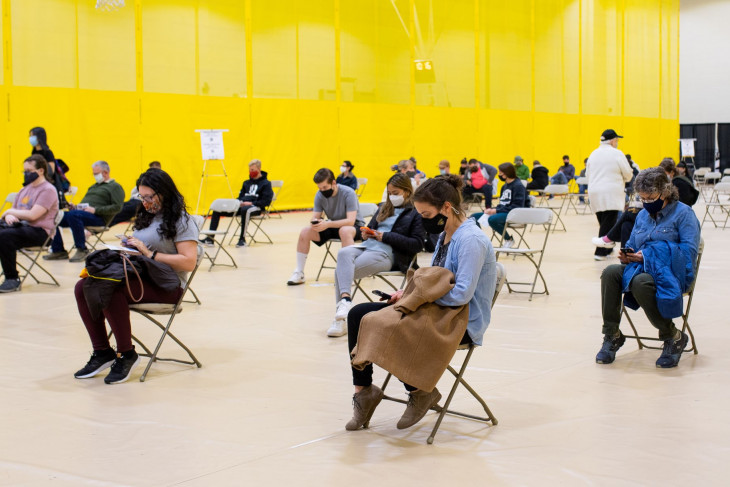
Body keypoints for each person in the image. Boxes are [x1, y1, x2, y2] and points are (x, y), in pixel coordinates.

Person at [344, 174, 497, 431]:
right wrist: (407, 292)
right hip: (437, 309)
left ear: (446, 208)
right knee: (358, 314)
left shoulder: (471, 240)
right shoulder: (446, 234)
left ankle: (419, 391)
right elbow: (434, 280)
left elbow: (461, 294)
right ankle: (364, 392)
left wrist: (415, 298)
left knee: (389, 325)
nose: (424, 220)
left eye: (426, 215)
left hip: (461, 319)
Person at [72, 168, 199, 384]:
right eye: (142, 197)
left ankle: (126, 354)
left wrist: (150, 253)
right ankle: (102, 351)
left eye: (150, 197)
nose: (146, 202)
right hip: (142, 275)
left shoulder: (182, 220)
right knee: (82, 286)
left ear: (164, 193)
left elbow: (189, 261)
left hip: (167, 286)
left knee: (111, 288)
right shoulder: (147, 216)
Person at [595, 167, 700, 368]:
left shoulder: (684, 215)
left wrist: (650, 255)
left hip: (673, 272)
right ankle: (612, 335)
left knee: (640, 282)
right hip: (641, 267)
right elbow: (635, 243)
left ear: (666, 191)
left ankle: (673, 336)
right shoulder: (643, 216)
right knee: (610, 273)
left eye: (651, 198)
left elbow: (688, 254)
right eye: (643, 199)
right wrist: (629, 255)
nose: (647, 203)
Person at [327, 173, 424, 337]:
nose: (391, 196)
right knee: (344, 252)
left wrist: (384, 236)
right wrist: (365, 233)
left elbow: (417, 244)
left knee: (341, 272)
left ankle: (340, 319)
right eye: (389, 193)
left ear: (407, 191)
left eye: (395, 193)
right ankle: (345, 300)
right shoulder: (383, 207)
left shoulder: (415, 213)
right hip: (368, 246)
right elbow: (369, 227)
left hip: (389, 254)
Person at [287, 168, 363, 285]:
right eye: (319, 188)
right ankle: (299, 272)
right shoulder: (319, 195)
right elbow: (315, 217)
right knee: (305, 231)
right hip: (332, 224)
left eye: (324, 188)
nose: (322, 191)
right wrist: (315, 222)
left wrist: (328, 224)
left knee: (345, 230)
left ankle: (347, 274)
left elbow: (350, 221)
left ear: (333, 183)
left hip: (354, 227)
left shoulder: (349, 193)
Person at [44, 161, 125, 262]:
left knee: (74, 216)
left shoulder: (115, 187)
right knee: (53, 216)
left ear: (105, 172)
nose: (95, 176)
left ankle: (82, 249)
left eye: (96, 173)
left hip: (99, 218)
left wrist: (95, 210)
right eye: (94, 173)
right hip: (82, 215)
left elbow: (117, 207)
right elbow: (84, 206)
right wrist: (75, 207)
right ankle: (58, 250)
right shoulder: (94, 186)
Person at [0, 155, 59, 293]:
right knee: (5, 233)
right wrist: (9, 214)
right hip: (21, 227)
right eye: (24, 171)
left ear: (41, 171)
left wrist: (9, 211)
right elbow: (13, 212)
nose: (26, 173)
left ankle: (12, 279)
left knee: (4, 236)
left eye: (29, 170)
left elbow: (33, 215)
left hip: (40, 232)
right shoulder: (24, 189)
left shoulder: (48, 190)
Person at [201, 159, 273, 248]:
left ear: (259, 169)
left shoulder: (266, 184)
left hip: (256, 207)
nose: (251, 172)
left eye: (253, 170)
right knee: (217, 210)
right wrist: (239, 202)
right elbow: (240, 197)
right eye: (250, 170)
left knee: (246, 210)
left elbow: (266, 201)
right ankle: (210, 239)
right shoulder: (246, 183)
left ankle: (242, 239)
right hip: (243, 206)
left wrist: (251, 203)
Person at [585, 129, 634, 260]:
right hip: (611, 192)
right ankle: (599, 252)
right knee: (608, 221)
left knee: (604, 221)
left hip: (594, 192)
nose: (617, 143)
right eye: (617, 140)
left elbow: (587, 174)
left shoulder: (593, 154)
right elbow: (628, 174)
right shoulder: (617, 154)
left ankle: (608, 247)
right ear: (612, 141)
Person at [472, 163, 526, 248]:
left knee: (493, 219)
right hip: (502, 212)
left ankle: (509, 239)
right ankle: (481, 241)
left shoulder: (518, 186)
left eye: (501, 173)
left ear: (507, 173)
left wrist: (496, 211)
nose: (499, 175)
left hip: (513, 214)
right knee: (473, 217)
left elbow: (517, 206)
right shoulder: (504, 186)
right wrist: (492, 209)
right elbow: (502, 204)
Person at [109, 161, 163, 228]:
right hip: (134, 199)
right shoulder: (144, 179)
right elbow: (134, 191)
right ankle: (105, 219)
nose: (154, 172)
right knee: (119, 207)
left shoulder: (161, 181)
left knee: (124, 210)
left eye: (156, 169)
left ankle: (106, 222)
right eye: (152, 169)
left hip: (142, 202)